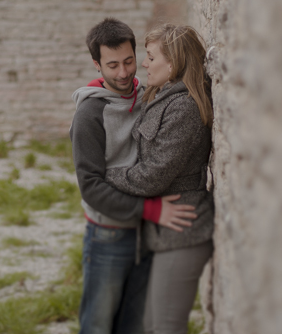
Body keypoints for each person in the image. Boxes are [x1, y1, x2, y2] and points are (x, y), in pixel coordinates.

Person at [71, 18, 198, 334]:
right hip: (108, 236)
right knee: (99, 325)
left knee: (134, 325)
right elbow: (91, 188)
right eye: (112, 65)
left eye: (129, 61)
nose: (124, 72)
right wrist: (151, 209)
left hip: (148, 235)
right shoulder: (89, 115)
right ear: (97, 65)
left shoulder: (148, 95)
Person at [105, 24, 214, 334]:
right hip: (162, 232)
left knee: (167, 328)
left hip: (182, 232)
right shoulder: (163, 96)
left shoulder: (184, 109)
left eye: (151, 57)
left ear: (174, 62)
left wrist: (105, 175)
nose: (144, 64)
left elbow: (150, 177)